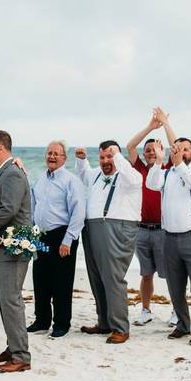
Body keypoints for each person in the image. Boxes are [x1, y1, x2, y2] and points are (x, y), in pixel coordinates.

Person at [145, 110, 191, 345]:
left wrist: (166, 124)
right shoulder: (168, 173)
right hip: (169, 238)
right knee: (175, 286)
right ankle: (183, 325)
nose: (181, 151)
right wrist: (160, 161)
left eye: (185, 149)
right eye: (178, 148)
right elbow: (151, 183)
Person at [76, 141, 142, 344]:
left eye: (110, 156)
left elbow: (135, 179)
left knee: (113, 278)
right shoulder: (96, 173)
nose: (106, 161)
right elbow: (84, 175)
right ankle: (104, 322)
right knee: (96, 277)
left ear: (118, 157)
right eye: (103, 157)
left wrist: (117, 156)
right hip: (93, 228)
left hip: (117, 228)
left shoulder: (128, 175)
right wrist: (81, 160)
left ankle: (121, 327)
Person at [0, 130, 33, 373]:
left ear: (1, 148)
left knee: (11, 300)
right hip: (4, 245)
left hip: (12, 245)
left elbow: (8, 210)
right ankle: (13, 348)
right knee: (5, 299)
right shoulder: (6, 171)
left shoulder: (12, 174)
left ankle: (21, 356)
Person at [28, 140, 85, 339]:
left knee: (61, 282)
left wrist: (68, 240)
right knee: (40, 279)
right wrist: (32, 234)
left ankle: (61, 323)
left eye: (56, 154)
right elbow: (33, 206)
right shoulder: (40, 179)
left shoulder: (71, 180)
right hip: (42, 235)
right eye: (49, 153)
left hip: (62, 235)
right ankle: (41, 321)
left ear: (64, 158)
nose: (52, 156)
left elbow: (78, 212)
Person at [125, 111, 171, 326]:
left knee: (171, 275)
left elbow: (177, 146)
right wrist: (151, 128)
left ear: (162, 151)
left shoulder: (168, 169)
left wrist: (166, 124)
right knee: (146, 275)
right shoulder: (140, 169)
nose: (151, 153)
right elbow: (130, 146)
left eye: (155, 149)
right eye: (148, 150)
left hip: (164, 230)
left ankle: (176, 311)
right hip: (141, 230)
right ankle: (145, 310)